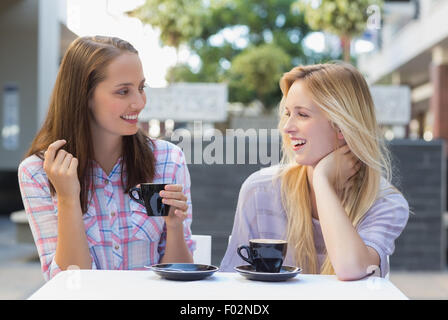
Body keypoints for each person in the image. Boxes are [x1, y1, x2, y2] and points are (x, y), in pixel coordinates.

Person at [18, 36, 194, 281]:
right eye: (123, 91)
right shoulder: (38, 172)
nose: (139, 102)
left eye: (141, 88)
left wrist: (174, 227)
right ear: (85, 96)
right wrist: (68, 198)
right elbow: (69, 284)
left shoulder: (167, 159)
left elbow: (180, 280)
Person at [220, 62, 409, 280]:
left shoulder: (384, 203)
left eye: (302, 114)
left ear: (341, 126)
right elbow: (231, 284)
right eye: (288, 113)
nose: (287, 127)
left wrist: (322, 180)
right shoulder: (260, 190)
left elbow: (351, 268)